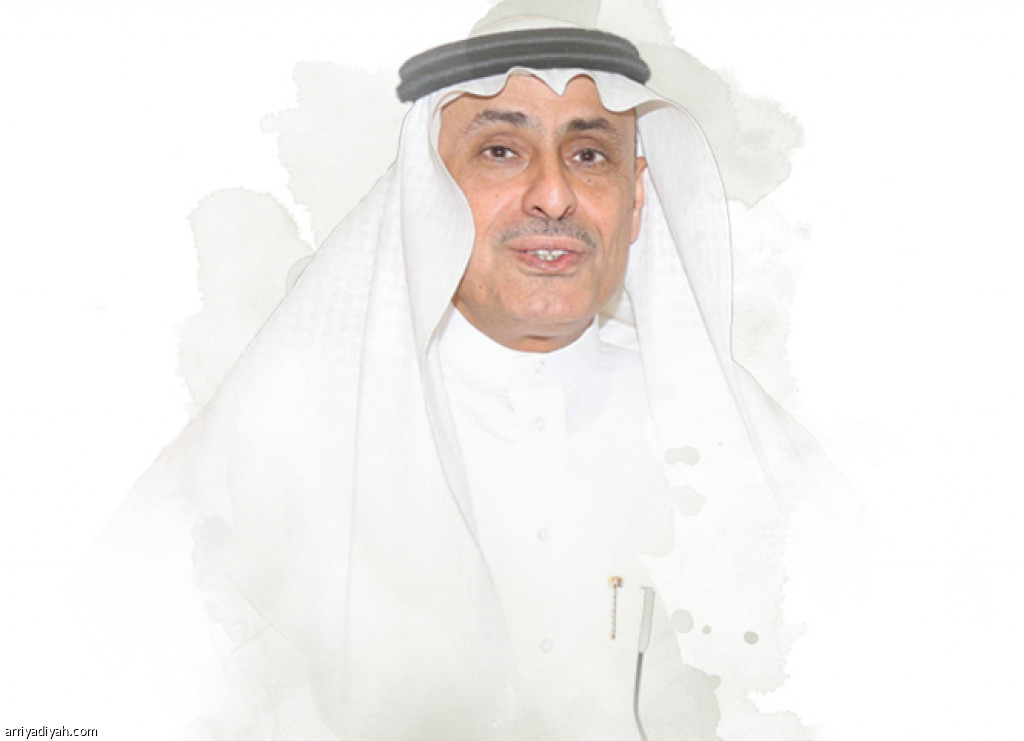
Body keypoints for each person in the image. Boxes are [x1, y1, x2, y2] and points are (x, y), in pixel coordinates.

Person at [87, 14, 855, 741]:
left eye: (589, 155)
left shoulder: (728, 429)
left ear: (635, 200)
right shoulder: (290, 433)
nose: (553, 194)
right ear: (427, 194)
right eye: (501, 151)